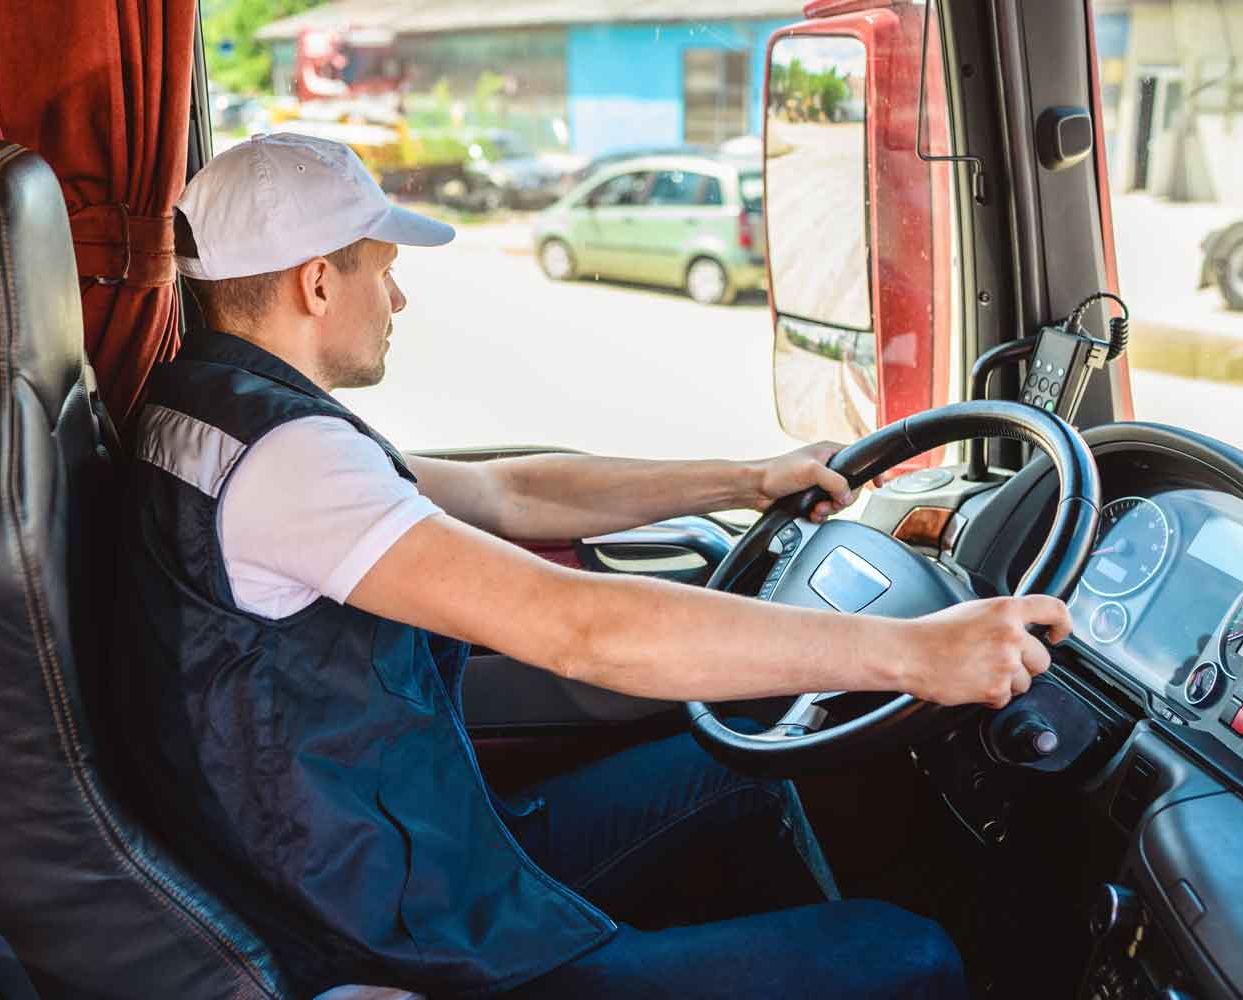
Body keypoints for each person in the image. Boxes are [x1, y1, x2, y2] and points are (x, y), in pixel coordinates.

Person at [113, 133, 1072, 999]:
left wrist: (748, 477)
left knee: (742, 778)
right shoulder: (289, 463)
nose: (398, 298)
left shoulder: (214, 407)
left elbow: (514, 495)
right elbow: (582, 630)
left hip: (388, 854)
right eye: (385, 270)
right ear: (318, 282)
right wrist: (913, 653)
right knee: (909, 955)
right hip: (396, 932)